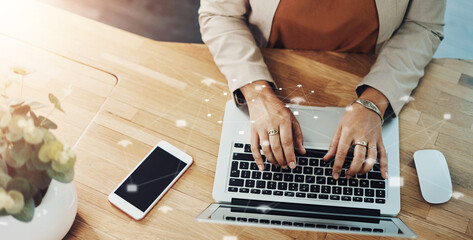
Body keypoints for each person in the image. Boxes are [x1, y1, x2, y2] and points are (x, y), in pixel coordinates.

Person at [198, 0, 445, 180]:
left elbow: (423, 25)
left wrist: (375, 101)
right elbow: (219, 15)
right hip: (268, 68)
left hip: (373, 72)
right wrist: (256, 93)